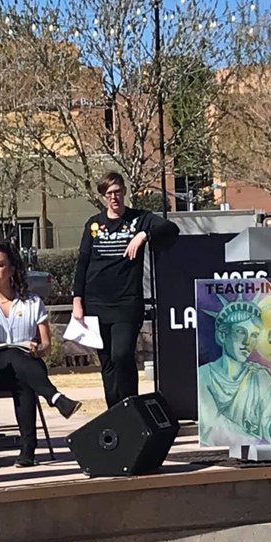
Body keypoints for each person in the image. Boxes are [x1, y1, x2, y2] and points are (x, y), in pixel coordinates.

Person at [0, 243, 80, 468]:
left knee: (24, 371)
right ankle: (55, 398)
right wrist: (12, 346)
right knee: (14, 355)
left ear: (12, 270)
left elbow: (46, 345)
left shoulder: (33, 302)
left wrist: (37, 349)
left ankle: (27, 451)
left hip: (25, 368)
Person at [72, 171, 180, 408]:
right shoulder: (93, 224)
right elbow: (83, 262)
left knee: (121, 355)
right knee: (107, 363)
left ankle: (131, 405)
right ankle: (114, 411)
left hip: (127, 303)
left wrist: (143, 235)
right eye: (109, 193)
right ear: (103, 196)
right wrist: (77, 300)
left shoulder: (140, 218)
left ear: (124, 192)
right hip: (95, 303)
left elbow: (171, 229)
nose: (114, 197)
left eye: (118, 191)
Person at [197, 295, 271, 443]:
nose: (247, 342)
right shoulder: (203, 376)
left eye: (254, 335)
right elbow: (212, 429)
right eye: (240, 332)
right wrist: (256, 441)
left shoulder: (260, 376)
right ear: (222, 335)